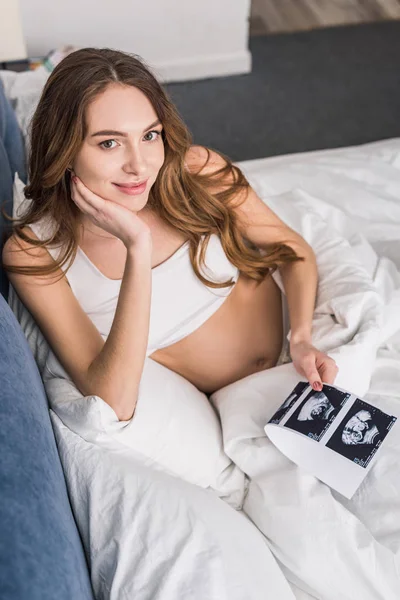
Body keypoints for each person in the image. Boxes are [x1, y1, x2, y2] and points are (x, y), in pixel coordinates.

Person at [2, 48, 338, 421]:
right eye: (109, 143)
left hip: (306, 345)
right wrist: (136, 247)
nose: (139, 165)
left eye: (149, 135)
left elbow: (292, 250)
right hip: (247, 403)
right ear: (64, 149)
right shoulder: (35, 254)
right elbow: (113, 400)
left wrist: (303, 337)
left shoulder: (197, 170)